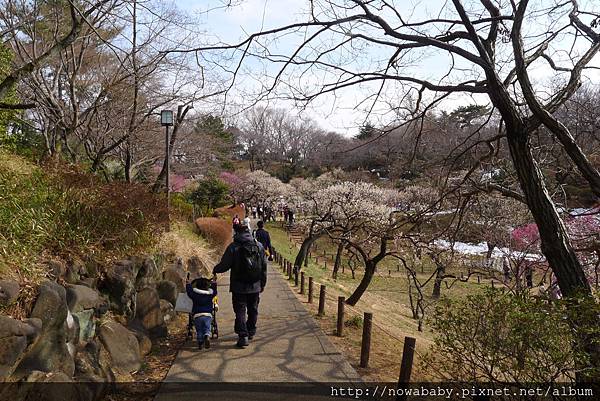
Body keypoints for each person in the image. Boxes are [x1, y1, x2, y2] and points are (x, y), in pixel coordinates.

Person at [213, 221, 267, 348]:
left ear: (236, 233)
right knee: (253, 309)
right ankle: (251, 331)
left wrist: (215, 269)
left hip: (238, 286)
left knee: (240, 311)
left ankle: (243, 336)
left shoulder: (233, 247)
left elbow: (225, 265)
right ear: (249, 231)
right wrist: (262, 283)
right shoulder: (258, 246)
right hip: (255, 285)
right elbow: (264, 267)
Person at [186, 276, 218, 350]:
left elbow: (189, 292)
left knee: (199, 329)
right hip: (208, 315)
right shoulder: (210, 294)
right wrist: (214, 282)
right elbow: (215, 291)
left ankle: (200, 342)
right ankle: (207, 335)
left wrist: (188, 284)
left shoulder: (194, 294)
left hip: (197, 315)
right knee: (207, 327)